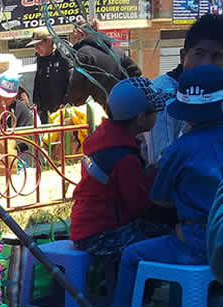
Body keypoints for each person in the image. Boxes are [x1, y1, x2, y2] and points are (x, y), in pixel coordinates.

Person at [94, 65, 223, 307]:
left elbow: (159, 198)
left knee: (131, 254)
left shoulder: (180, 149)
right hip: (218, 241)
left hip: (195, 242)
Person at [70, 77, 172, 259]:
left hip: (85, 226)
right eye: (155, 111)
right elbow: (139, 205)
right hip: (102, 233)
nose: (158, 114)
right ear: (141, 118)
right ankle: (137, 286)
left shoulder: (104, 139)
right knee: (168, 240)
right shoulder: (124, 157)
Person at [148, 14, 223, 166]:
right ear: (183, 56)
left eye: (217, 56)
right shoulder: (163, 94)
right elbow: (160, 162)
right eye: (199, 54)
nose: (207, 64)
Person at [67, 17, 142, 111]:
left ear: (80, 33)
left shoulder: (83, 54)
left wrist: (75, 103)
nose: (73, 41)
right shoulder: (117, 52)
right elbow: (136, 73)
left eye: (74, 37)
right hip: (117, 110)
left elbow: (75, 89)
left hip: (94, 114)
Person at [28, 27, 72, 123]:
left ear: (48, 41)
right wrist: (37, 105)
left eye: (38, 44)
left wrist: (65, 103)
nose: (36, 49)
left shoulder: (64, 57)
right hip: (45, 113)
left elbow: (72, 83)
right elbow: (38, 82)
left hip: (62, 112)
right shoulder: (40, 59)